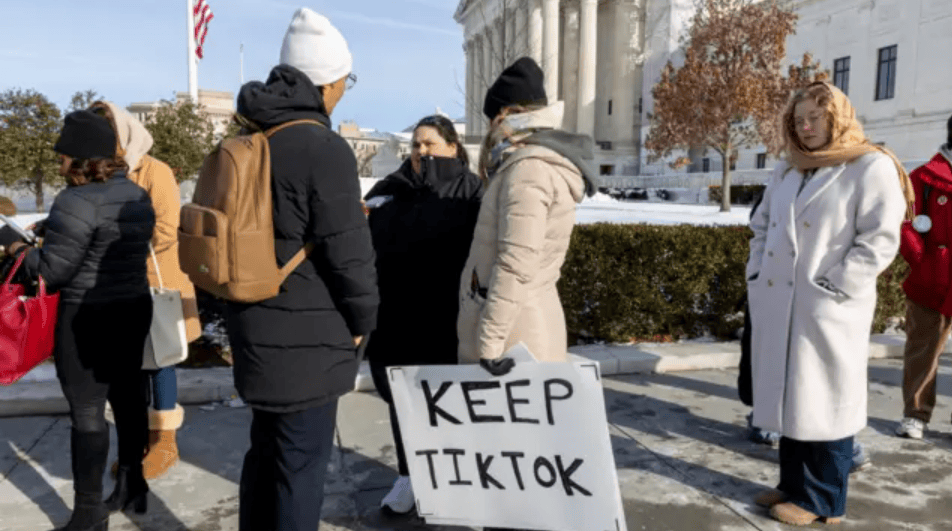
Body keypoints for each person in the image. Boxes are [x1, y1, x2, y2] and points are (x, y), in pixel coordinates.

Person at [226, 8, 378, 531]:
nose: (341, 95)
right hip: (308, 339)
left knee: (264, 457)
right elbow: (349, 252)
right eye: (344, 83)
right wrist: (364, 320)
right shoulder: (322, 147)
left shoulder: (250, 138)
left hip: (252, 326)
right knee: (300, 472)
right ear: (326, 83)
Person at [747, 81, 913, 526]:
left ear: (837, 118)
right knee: (792, 398)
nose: (806, 127)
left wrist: (836, 285)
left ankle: (824, 501)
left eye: (815, 118)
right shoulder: (788, 168)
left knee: (827, 401)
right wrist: (756, 273)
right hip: (782, 303)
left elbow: (880, 239)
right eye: (799, 119)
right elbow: (761, 226)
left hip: (829, 307)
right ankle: (793, 485)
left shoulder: (869, 165)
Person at [455, 56, 597, 531]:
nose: (490, 129)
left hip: (514, 333)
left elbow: (515, 264)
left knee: (512, 465)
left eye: (493, 117)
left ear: (508, 114)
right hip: (525, 321)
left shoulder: (528, 169)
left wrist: (488, 342)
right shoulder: (531, 162)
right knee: (519, 464)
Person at [5, 110, 155, 531]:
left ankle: (89, 513)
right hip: (132, 309)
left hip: (86, 319)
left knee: (87, 412)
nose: (59, 163)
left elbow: (52, 272)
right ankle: (132, 487)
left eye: (63, 156)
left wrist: (16, 247)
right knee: (128, 400)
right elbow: (104, 234)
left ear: (81, 158)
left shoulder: (74, 201)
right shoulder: (135, 194)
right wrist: (54, 227)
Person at [364, 114, 483, 515]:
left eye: (430, 143)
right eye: (416, 144)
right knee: (403, 402)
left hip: (446, 319)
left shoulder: (471, 191)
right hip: (396, 318)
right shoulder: (390, 188)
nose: (421, 151)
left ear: (453, 146)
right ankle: (409, 476)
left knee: (449, 404)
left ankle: (455, 479)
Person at [90, 101, 202, 479]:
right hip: (115, 285)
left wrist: (117, 244)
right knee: (130, 366)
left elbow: (167, 229)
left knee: (160, 361)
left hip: (156, 282)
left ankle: (165, 441)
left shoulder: (155, 171)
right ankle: (137, 437)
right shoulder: (98, 173)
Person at [895, 114, 952, 440]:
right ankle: (915, 414)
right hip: (932, 280)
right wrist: (922, 261)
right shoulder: (925, 177)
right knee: (923, 350)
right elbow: (905, 222)